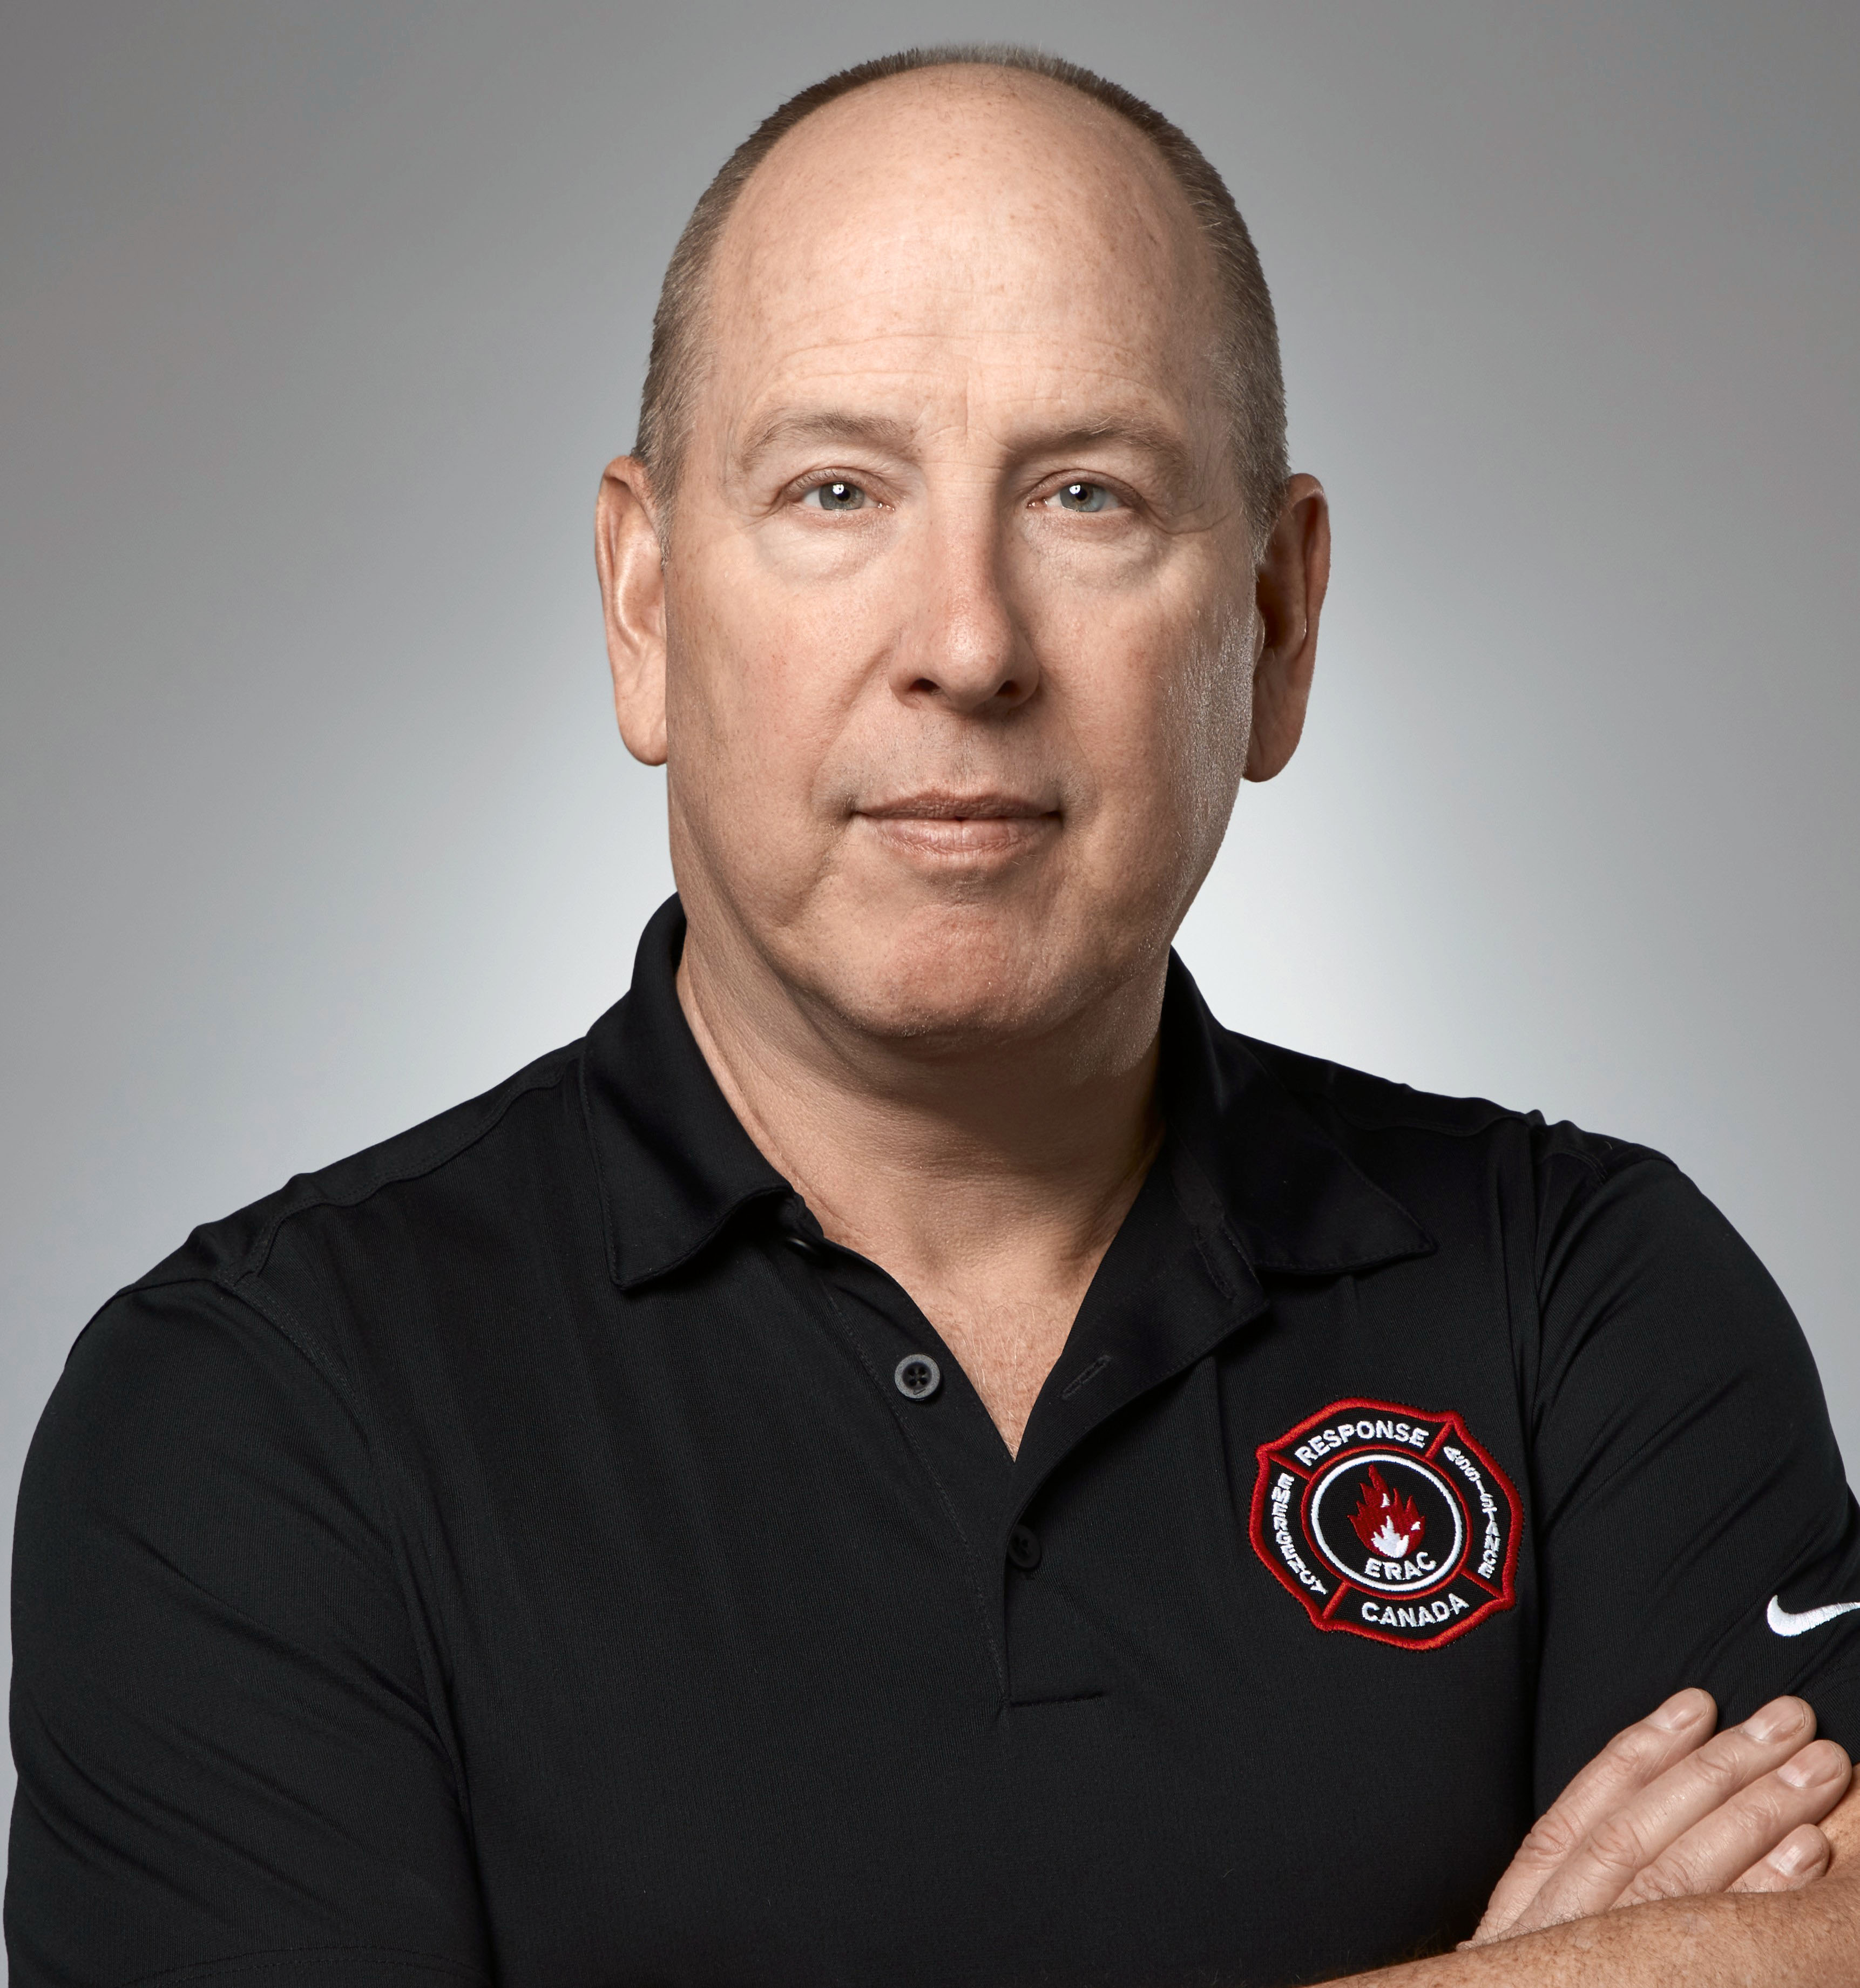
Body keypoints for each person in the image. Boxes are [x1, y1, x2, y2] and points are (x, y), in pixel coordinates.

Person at [10, 44, 1860, 1988]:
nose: (967, 643)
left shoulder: (1586, 1303)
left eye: (1086, 493)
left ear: (1276, 620)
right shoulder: (256, 1419)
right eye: (836, 489)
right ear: (645, 605)